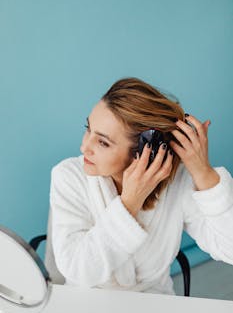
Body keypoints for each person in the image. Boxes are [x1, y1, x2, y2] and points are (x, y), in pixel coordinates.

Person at [49, 77, 233, 295]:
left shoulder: (178, 182)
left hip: (155, 305)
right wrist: (130, 203)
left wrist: (204, 173)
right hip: (85, 303)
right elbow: (78, 270)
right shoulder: (69, 176)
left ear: (146, 151)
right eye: (88, 129)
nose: (83, 146)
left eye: (102, 142)